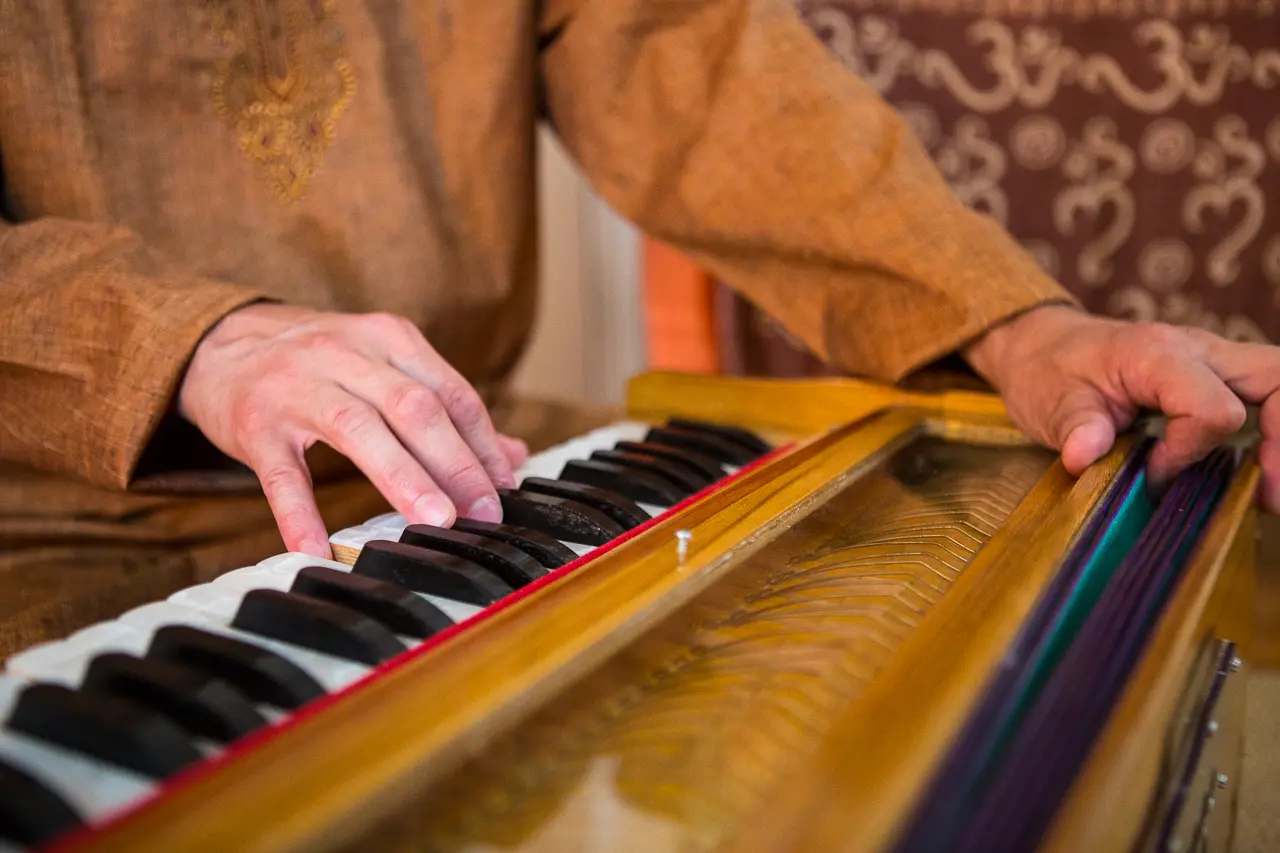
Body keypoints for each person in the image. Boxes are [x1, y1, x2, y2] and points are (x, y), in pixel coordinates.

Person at [0, 1, 1275, 654]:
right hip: (56, 523)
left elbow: (701, 76)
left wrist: (1017, 328)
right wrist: (191, 340)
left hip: (475, 473)